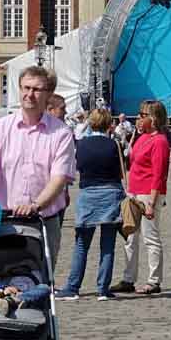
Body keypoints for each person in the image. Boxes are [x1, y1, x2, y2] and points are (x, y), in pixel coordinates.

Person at [0, 65, 78, 271]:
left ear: (48, 94)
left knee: (40, 285)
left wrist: (36, 205)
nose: (30, 94)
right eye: (25, 88)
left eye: (37, 89)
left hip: (42, 220)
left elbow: (59, 178)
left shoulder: (61, 133)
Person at [56, 109, 125, 301]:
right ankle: (103, 288)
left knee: (81, 244)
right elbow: (120, 171)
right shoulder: (114, 145)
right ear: (108, 124)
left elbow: (79, 167)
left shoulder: (82, 144)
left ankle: (73, 286)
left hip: (88, 192)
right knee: (108, 245)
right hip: (111, 192)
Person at [116, 99, 170, 295]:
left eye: (142, 115)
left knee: (150, 238)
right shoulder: (141, 138)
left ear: (153, 119)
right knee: (130, 237)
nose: (138, 119)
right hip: (134, 191)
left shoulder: (160, 142)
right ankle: (128, 278)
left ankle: (154, 280)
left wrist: (152, 202)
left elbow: (159, 174)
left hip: (149, 194)